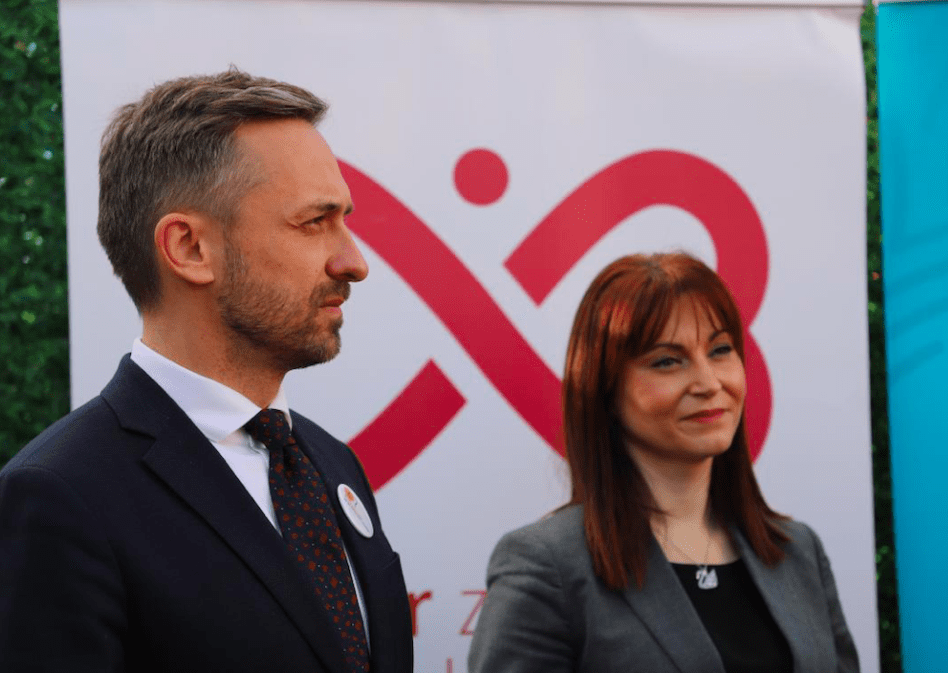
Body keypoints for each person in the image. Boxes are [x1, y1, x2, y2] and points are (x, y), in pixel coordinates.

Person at [0, 69, 413, 672]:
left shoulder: (330, 464)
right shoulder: (60, 495)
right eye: (314, 222)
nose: (354, 261)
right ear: (189, 248)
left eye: (345, 219)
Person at [468, 252, 858, 673]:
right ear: (605, 389)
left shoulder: (798, 552)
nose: (709, 383)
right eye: (667, 361)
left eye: (720, 350)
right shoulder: (548, 566)